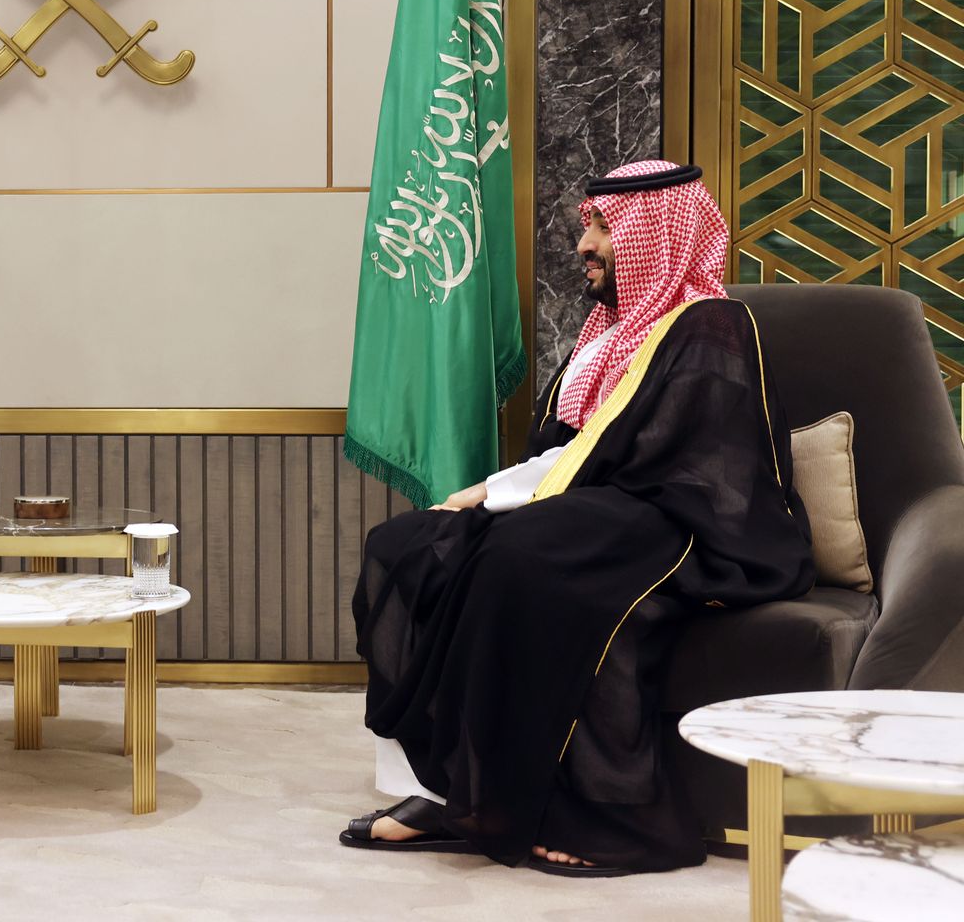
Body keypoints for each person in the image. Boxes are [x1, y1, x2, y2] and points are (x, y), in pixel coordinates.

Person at [337, 160, 814, 875]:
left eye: (602, 227)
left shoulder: (711, 324)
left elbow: (665, 458)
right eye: (588, 224)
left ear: (656, 233)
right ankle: (442, 789)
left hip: (680, 520)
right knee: (406, 545)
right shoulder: (605, 334)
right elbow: (567, 452)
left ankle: (589, 812)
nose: (584, 244)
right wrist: (487, 493)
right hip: (589, 508)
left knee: (516, 555)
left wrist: (495, 498)